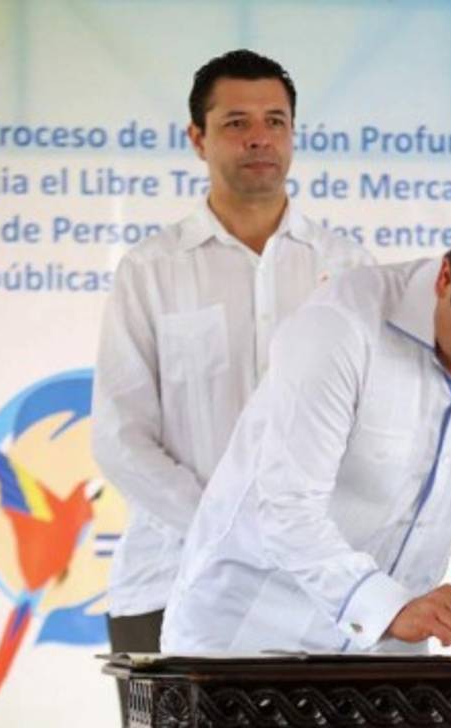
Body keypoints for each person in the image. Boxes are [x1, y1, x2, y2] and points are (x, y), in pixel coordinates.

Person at [161, 201, 451, 656]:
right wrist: (388, 607)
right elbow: (287, 507)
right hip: (248, 637)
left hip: (387, 652)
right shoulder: (340, 326)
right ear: (446, 280)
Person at [91, 48, 372, 680]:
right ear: (198, 138)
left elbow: (374, 428)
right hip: (171, 578)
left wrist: (299, 540)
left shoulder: (349, 270)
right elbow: (120, 436)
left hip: (318, 591)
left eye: (275, 121)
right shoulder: (151, 269)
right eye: (236, 123)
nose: (259, 139)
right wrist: (230, 529)